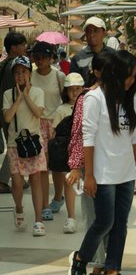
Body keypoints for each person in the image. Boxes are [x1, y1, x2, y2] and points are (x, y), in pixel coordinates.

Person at [68, 50, 136, 275]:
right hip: (102, 172)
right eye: (128, 76)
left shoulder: (131, 99)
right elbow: (87, 138)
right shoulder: (94, 99)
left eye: (134, 76)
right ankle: (81, 258)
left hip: (126, 172)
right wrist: (89, 175)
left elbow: (134, 138)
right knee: (105, 221)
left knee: (121, 224)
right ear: (115, 73)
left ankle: (112, 273)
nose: (131, 81)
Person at [66, 52, 113, 275]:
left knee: (110, 217)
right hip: (89, 166)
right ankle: (95, 260)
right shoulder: (86, 98)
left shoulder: (116, 96)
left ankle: (105, 261)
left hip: (111, 166)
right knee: (94, 217)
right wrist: (76, 166)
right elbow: (78, 135)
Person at [2, 56, 46, 236]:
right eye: (17, 72)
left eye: (24, 72)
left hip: (34, 142)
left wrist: (26, 95)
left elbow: (38, 113)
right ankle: (19, 207)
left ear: (30, 74)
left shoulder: (38, 92)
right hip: (14, 144)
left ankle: (38, 220)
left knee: (35, 179)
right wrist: (19, 98)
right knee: (17, 183)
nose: (21, 76)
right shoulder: (7, 94)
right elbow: (7, 117)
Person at [30, 41, 66, 222]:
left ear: (51, 58)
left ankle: (58, 198)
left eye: (43, 56)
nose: (39, 60)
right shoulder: (30, 75)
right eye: (36, 56)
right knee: (42, 167)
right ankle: (44, 206)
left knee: (57, 165)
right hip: (35, 124)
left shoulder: (59, 76)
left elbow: (65, 99)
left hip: (55, 123)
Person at [51, 72, 85, 234]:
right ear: (65, 91)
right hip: (69, 153)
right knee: (69, 182)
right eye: (71, 89)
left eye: (78, 88)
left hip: (88, 150)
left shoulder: (89, 105)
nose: (74, 92)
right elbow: (55, 132)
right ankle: (71, 217)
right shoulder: (61, 109)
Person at [0, 32, 28, 193]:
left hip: (5, 111)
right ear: (13, 48)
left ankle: (20, 178)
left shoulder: (4, 64)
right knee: (15, 145)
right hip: (12, 112)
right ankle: (2, 180)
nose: (25, 48)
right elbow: (14, 91)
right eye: (22, 45)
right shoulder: (14, 67)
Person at [70, 16, 115, 83]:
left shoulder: (113, 55)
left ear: (104, 33)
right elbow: (74, 85)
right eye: (88, 31)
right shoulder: (77, 59)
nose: (92, 35)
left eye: (96, 31)